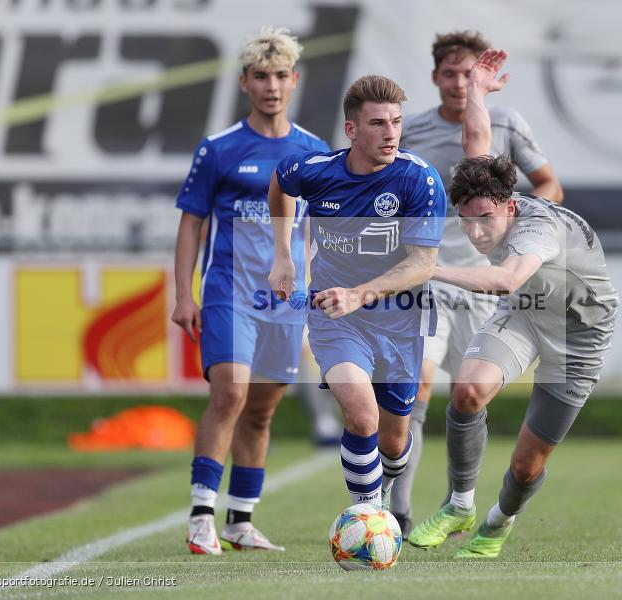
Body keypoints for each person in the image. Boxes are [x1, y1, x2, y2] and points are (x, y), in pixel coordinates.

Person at [408, 50, 619, 558]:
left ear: (509, 205)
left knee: (527, 467)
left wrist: (429, 268)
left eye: (485, 218)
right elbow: (476, 138)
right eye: (466, 219)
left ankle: (498, 522)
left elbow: (504, 280)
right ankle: (458, 503)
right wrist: (477, 91)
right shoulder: (487, 186)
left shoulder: (537, 230)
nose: (476, 230)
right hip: (527, 312)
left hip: (579, 331)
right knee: (466, 391)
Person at [391, 30, 564, 537]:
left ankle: (455, 501)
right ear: (435, 77)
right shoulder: (412, 131)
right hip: (425, 277)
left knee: (470, 395)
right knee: (415, 386)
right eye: (451, 73)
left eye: (469, 74)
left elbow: (548, 183)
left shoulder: (505, 122)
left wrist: (532, 231)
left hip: (485, 280)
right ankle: (397, 512)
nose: (460, 82)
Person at [171, 26, 329, 555]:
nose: (272, 86)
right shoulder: (219, 148)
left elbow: (320, 231)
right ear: (245, 82)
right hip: (228, 291)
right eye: (261, 76)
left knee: (261, 411)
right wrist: (183, 295)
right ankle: (200, 516)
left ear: (295, 80)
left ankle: (240, 520)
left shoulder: (313, 151)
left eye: (281, 75)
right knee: (231, 393)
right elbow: (191, 224)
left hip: (285, 300)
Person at [268, 75, 446, 510]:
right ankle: (368, 518)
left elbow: (423, 264)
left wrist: (361, 293)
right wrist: (283, 255)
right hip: (338, 318)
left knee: (393, 440)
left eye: (396, 123)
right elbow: (280, 187)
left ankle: (383, 491)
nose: (390, 134)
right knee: (361, 414)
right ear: (351, 129)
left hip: (401, 320)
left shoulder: (417, 179)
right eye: (378, 124)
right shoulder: (312, 170)